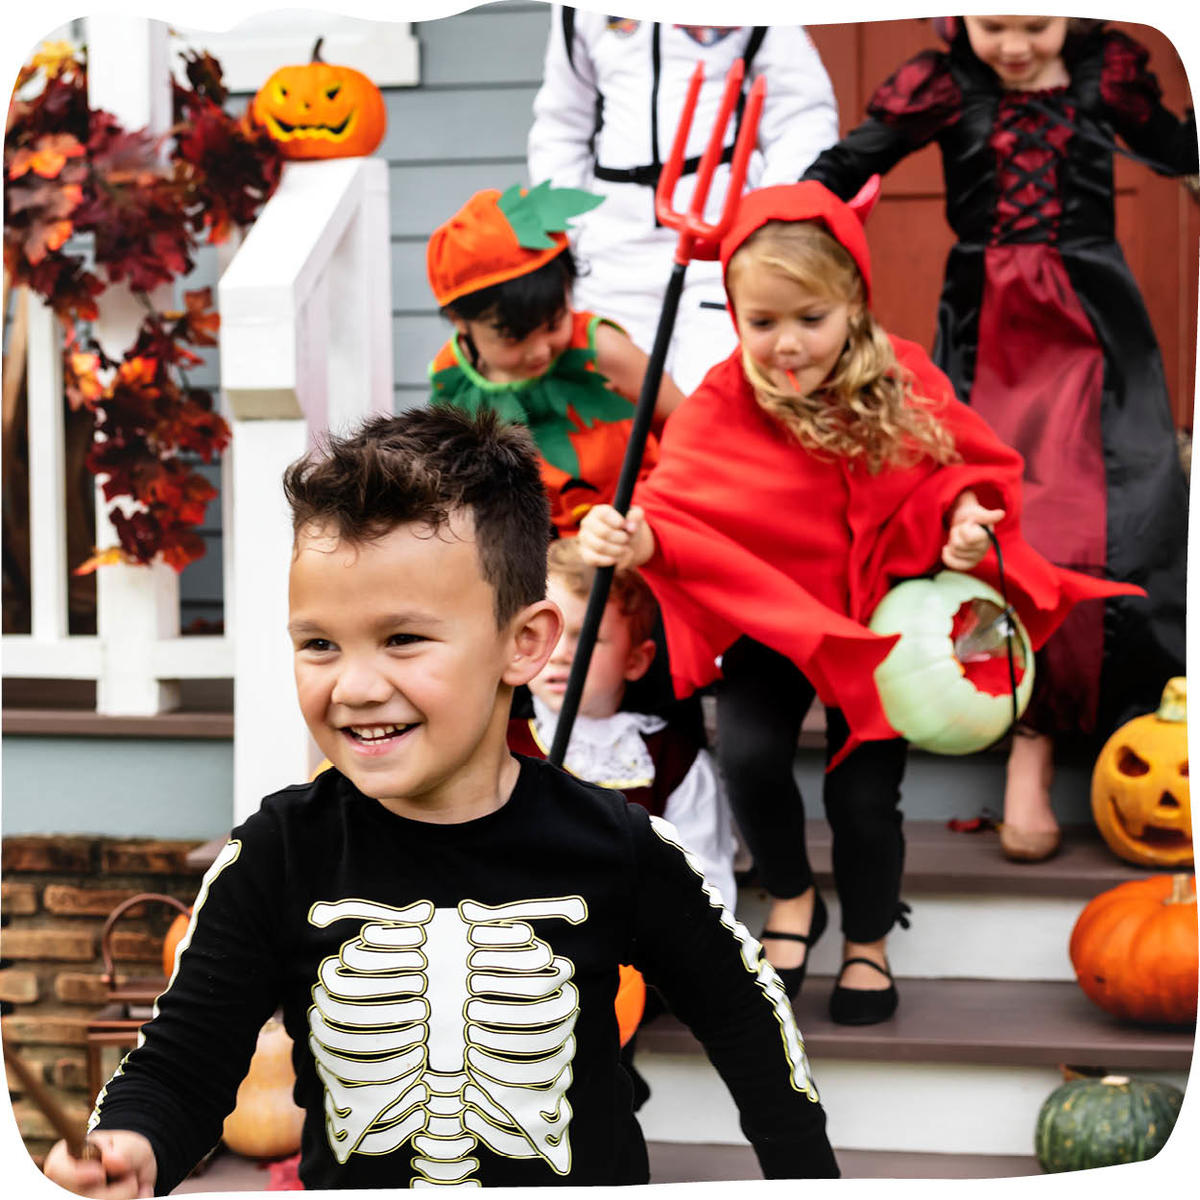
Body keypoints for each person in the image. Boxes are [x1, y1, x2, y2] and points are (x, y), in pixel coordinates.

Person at [43, 406, 839, 1194]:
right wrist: (135, 1142)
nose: (354, 687)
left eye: (403, 639)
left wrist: (808, 1182)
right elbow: (183, 1061)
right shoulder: (279, 854)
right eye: (318, 643)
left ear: (523, 644)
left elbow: (748, 1023)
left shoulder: (621, 847)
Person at [578, 181, 1137, 1025]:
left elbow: (960, 473)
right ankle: (796, 897)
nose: (787, 345)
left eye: (810, 318)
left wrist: (961, 522)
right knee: (754, 758)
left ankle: (870, 936)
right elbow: (677, 512)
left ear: (854, 303)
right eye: (761, 323)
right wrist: (631, 540)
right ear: (734, 314)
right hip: (777, 620)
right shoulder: (726, 400)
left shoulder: (902, 379)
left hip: (885, 627)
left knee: (865, 793)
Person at [801, 16, 1196, 862]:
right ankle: (1029, 741)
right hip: (989, 324)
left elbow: (1175, 145)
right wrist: (791, 230)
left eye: (1035, 24)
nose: (1014, 45)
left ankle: (1121, 718)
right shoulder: (945, 85)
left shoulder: (1107, 75)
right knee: (1012, 516)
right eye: (993, 24)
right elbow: (844, 169)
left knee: (1129, 504)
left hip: (1095, 317)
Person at [528, 11, 839, 394]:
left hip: (720, 238)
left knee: (713, 397)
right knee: (614, 411)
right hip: (612, 245)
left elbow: (801, 113)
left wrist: (766, 223)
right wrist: (570, 231)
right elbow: (561, 122)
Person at [427, 181, 685, 537]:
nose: (540, 350)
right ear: (459, 319)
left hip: (629, 531)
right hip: (529, 550)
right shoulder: (451, 377)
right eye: (513, 336)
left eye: (553, 323)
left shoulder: (601, 350)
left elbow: (687, 425)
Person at [511, 536, 737, 910]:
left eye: (587, 639)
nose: (561, 655)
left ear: (635, 660)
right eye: (542, 633)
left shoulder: (673, 763)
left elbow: (706, 889)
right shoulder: (496, 746)